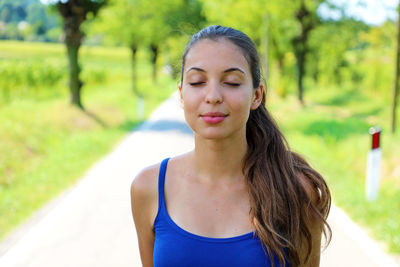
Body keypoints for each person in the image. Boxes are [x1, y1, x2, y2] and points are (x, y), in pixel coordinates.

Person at [130, 25, 331, 267]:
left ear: (256, 95)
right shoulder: (148, 187)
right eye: (197, 82)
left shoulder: (296, 188)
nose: (213, 96)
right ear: (181, 95)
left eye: (232, 83)